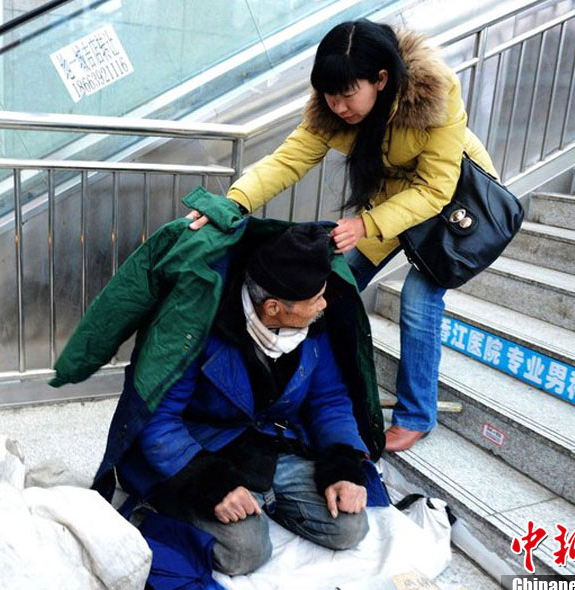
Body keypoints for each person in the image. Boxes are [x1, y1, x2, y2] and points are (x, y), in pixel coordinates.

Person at [187, 20, 497, 452]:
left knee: (418, 299)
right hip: (395, 200)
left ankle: (416, 415)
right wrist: (234, 202)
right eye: (329, 94)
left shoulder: (434, 94)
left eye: (347, 93)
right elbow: (287, 161)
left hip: (456, 207)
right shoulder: (331, 108)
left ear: (381, 80)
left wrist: (367, 224)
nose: (337, 105)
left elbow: (434, 188)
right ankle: (320, 389)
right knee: (337, 280)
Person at [115, 224, 383, 575]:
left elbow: (329, 400)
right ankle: (174, 502)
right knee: (245, 553)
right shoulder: (198, 325)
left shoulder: (314, 328)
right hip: (204, 449)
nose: (324, 303)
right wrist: (209, 485)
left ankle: (263, 499)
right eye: (315, 299)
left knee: (349, 528)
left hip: (273, 445)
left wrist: (345, 467)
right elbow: (158, 419)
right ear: (273, 307)